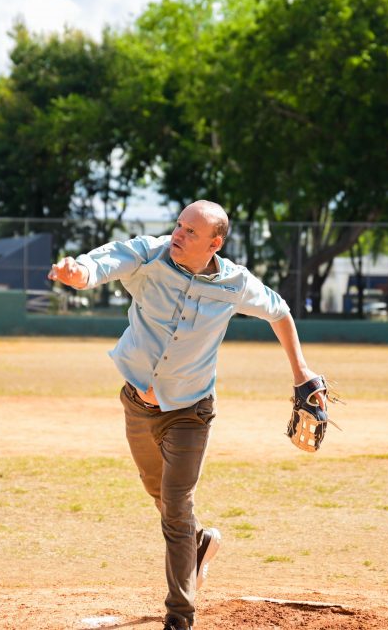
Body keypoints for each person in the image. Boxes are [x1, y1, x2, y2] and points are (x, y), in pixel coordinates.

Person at [48, 200, 326, 630]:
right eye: (179, 225)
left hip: (190, 412)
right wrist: (77, 273)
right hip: (137, 405)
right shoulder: (150, 255)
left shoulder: (234, 283)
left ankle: (180, 615)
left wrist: (301, 371)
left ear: (215, 244)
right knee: (158, 494)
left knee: (176, 506)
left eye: (191, 231)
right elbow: (104, 262)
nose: (178, 234)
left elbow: (279, 311)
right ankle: (198, 543)